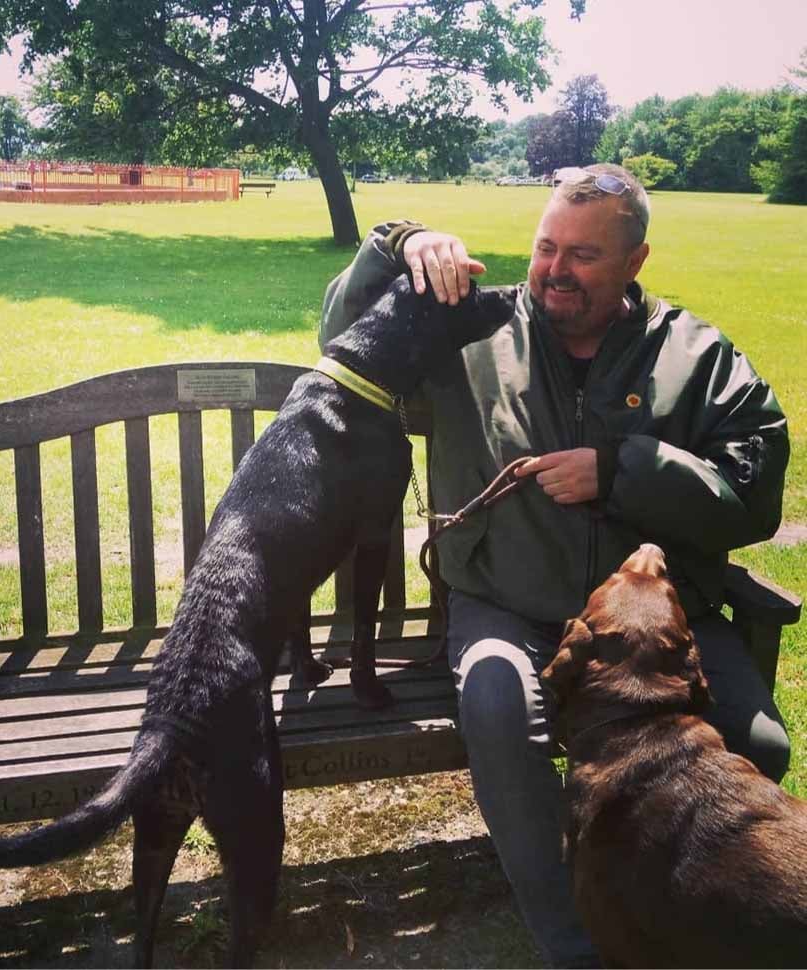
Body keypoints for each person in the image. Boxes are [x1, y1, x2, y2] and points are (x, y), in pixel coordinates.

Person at [318, 163, 791, 967]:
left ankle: (672, 901)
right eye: (546, 247)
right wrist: (396, 245)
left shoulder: (696, 354)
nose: (554, 271)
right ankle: (576, 943)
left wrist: (622, 471)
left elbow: (754, 492)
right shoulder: (471, 328)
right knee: (499, 706)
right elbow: (344, 341)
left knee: (757, 742)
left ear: (636, 262)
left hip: (647, 623)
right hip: (507, 601)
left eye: (584, 255)